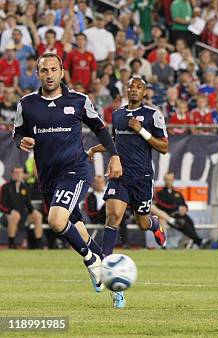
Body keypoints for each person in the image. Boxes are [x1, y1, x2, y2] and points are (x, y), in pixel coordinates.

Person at [13, 53, 122, 293]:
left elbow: (100, 129)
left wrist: (114, 156)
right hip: (48, 178)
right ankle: (106, 268)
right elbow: (17, 132)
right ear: (37, 73)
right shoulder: (27, 104)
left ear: (62, 73)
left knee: (56, 220)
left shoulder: (79, 100)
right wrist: (21, 141)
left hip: (75, 169)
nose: (49, 74)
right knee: (79, 231)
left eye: (54, 69)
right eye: (44, 70)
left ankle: (90, 260)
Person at [86, 76, 168, 309]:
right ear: (126, 90)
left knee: (142, 224)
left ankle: (154, 224)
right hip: (120, 176)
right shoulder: (118, 115)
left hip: (142, 179)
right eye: (131, 86)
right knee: (113, 217)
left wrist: (141, 130)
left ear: (144, 92)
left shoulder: (153, 115)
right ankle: (104, 269)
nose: (134, 90)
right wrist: (94, 148)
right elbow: (114, 142)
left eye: (138, 87)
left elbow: (164, 147)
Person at [153, 172, 209, 249]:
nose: (168, 182)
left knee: (190, 222)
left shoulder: (177, 192)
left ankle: (189, 243)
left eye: (170, 180)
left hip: (179, 214)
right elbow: (161, 205)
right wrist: (176, 208)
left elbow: (184, 204)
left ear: (173, 180)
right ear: (164, 180)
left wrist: (184, 209)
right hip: (167, 215)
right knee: (183, 223)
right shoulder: (159, 193)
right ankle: (199, 241)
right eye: (167, 180)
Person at [0, 166, 43, 249]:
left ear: (23, 174)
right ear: (12, 174)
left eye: (20, 172)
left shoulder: (25, 188)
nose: (18, 175)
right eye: (16, 172)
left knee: (38, 216)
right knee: (15, 215)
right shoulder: (5, 187)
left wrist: (33, 211)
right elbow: (1, 205)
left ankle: (38, 245)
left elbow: (28, 204)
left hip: (23, 216)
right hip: (7, 216)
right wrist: (10, 211)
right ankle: (11, 245)